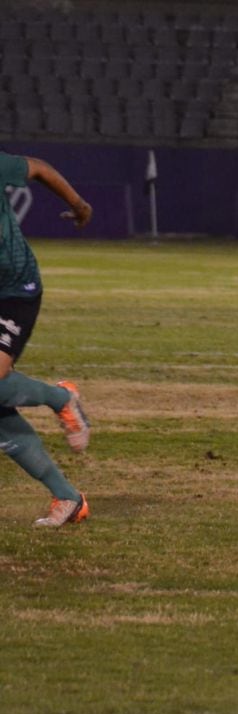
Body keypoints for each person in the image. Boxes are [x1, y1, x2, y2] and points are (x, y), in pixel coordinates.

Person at [0, 151, 93, 527]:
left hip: (14, 289)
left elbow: (38, 168)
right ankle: (68, 498)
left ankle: (61, 397)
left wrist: (79, 205)